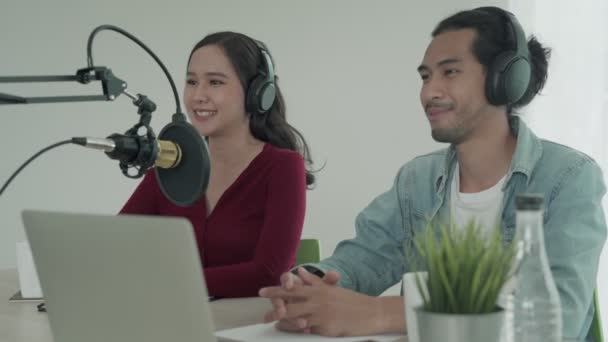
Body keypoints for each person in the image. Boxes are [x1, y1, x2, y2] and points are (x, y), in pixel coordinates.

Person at [260, 7, 606, 340]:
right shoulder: (416, 180)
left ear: (505, 80)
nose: (429, 92)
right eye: (426, 76)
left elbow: (558, 320)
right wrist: (307, 289)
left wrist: (380, 313)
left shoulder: (569, 178)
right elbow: (363, 258)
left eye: (450, 72)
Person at [120, 31, 315, 298]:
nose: (198, 95)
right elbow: (114, 248)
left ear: (257, 93)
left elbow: (268, 273)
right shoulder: (170, 166)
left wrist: (165, 282)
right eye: (191, 81)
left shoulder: (282, 167)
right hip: (177, 322)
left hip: (249, 329)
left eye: (215, 82)